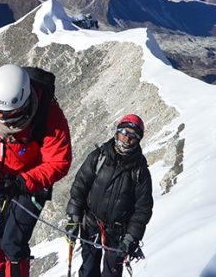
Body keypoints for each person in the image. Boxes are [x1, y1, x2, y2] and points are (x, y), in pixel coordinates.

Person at [0, 64, 73, 277]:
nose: (2, 119)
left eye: (8, 115)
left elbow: (59, 161)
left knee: (13, 242)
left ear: (25, 103)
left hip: (31, 183)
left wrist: (23, 182)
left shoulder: (48, 116)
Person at [65, 114, 153, 277]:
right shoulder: (99, 157)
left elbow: (143, 209)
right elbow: (80, 186)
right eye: (124, 132)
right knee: (88, 269)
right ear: (117, 131)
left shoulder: (140, 171)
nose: (127, 139)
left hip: (119, 234)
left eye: (133, 136)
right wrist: (73, 216)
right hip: (91, 224)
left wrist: (131, 237)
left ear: (139, 140)